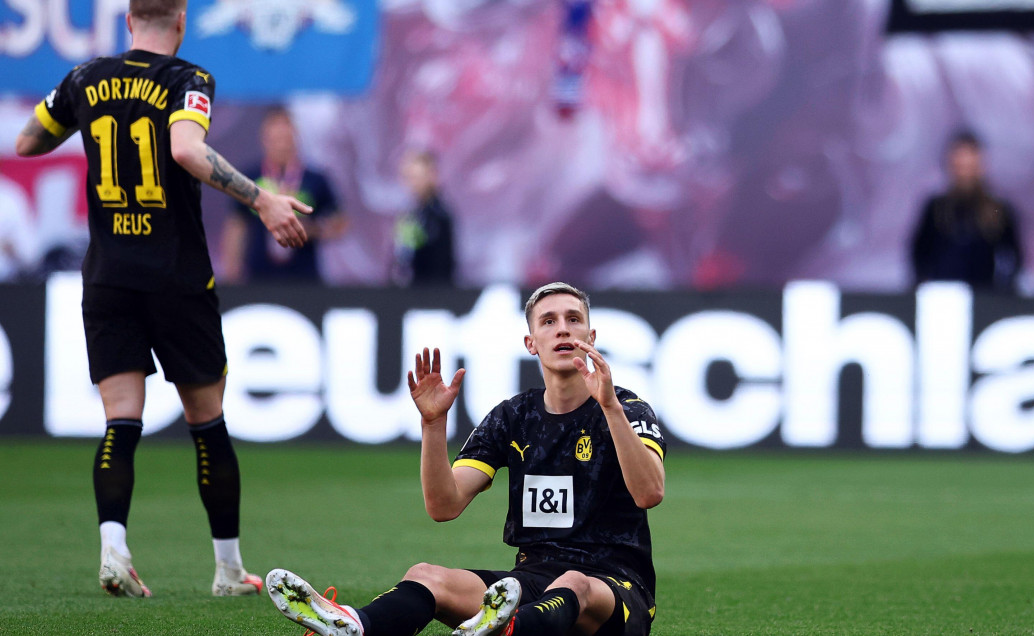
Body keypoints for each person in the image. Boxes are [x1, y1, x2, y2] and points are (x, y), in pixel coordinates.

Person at [15, 0, 311, 598]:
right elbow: (184, 150)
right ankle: (229, 570)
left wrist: (88, 119)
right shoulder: (188, 79)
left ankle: (114, 550)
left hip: (107, 277)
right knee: (209, 424)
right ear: (180, 22)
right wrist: (263, 200)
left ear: (128, 21)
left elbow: (27, 143)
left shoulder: (85, 78)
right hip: (175, 276)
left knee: (121, 421)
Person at [266, 282, 666, 636]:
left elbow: (650, 493)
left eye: (573, 319)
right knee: (425, 576)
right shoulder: (512, 417)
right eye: (547, 321)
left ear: (590, 335)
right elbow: (444, 505)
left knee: (574, 583)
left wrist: (609, 406)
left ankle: (506, 629)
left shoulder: (628, 409)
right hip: (530, 581)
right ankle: (354, 624)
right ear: (531, 343)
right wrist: (433, 424)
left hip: (614, 589)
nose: (562, 327)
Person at [221, 106, 347, 283]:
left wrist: (313, 230)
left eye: (285, 137)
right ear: (264, 138)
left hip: (304, 276)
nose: (281, 143)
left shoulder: (315, 179)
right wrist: (232, 269)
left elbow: (340, 223)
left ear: (295, 137)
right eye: (275, 138)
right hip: (258, 276)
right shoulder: (250, 178)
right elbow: (236, 224)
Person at [910, 131, 1024, 293]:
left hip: (986, 296)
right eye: (960, 164)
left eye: (969, 164)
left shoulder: (998, 210)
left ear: (980, 165)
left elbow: (1013, 258)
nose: (964, 171)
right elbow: (919, 254)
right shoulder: (936, 209)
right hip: (943, 297)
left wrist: (1003, 291)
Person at [393, 149, 456, 286]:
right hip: (407, 294)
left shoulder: (439, 217)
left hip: (431, 296)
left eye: (417, 177)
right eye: (408, 177)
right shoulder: (409, 215)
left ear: (432, 176)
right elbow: (402, 257)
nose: (412, 183)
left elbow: (441, 264)